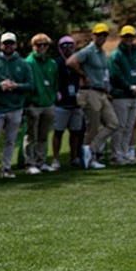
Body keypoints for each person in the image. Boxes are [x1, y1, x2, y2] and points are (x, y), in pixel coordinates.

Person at [65, 23, 118, 169]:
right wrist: (83, 75)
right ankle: (90, 158)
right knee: (92, 127)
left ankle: (89, 149)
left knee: (113, 123)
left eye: (104, 35)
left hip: (101, 91)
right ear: (93, 35)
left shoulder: (102, 52)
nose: (102, 37)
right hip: (89, 91)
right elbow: (71, 62)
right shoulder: (88, 51)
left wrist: (107, 91)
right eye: (99, 35)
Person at [0, 32, 30, 179]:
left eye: (11, 43)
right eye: (6, 43)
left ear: (15, 45)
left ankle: (6, 168)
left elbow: (30, 85)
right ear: (0, 45)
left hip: (15, 107)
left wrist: (16, 86)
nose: (8, 46)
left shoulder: (23, 64)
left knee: (10, 140)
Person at [108, 25, 136, 163]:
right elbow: (115, 75)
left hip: (135, 95)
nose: (129, 39)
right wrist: (130, 87)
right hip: (121, 95)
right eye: (126, 36)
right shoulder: (116, 54)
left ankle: (124, 152)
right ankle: (116, 154)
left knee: (130, 126)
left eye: (131, 36)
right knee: (120, 126)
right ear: (122, 37)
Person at [21, 33, 57, 174]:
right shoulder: (28, 62)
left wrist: (52, 97)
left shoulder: (52, 63)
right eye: (39, 45)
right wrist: (29, 100)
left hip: (48, 103)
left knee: (43, 135)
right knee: (31, 135)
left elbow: (55, 83)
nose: (42, 47)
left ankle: (41, 162)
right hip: (34, 104)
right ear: (33, 46)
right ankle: (30, 163)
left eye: (45, 45)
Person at [51, 35, 82, 170]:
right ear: (60, 48)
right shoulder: (56, 63)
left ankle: (74, 157)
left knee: (75, 132)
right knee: (58, 131)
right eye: (65, 46)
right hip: (61, 102)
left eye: (70, 46)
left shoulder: (78, 61)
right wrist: (56, 93)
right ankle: (56, 159)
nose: (68, 49)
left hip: (76, 101)